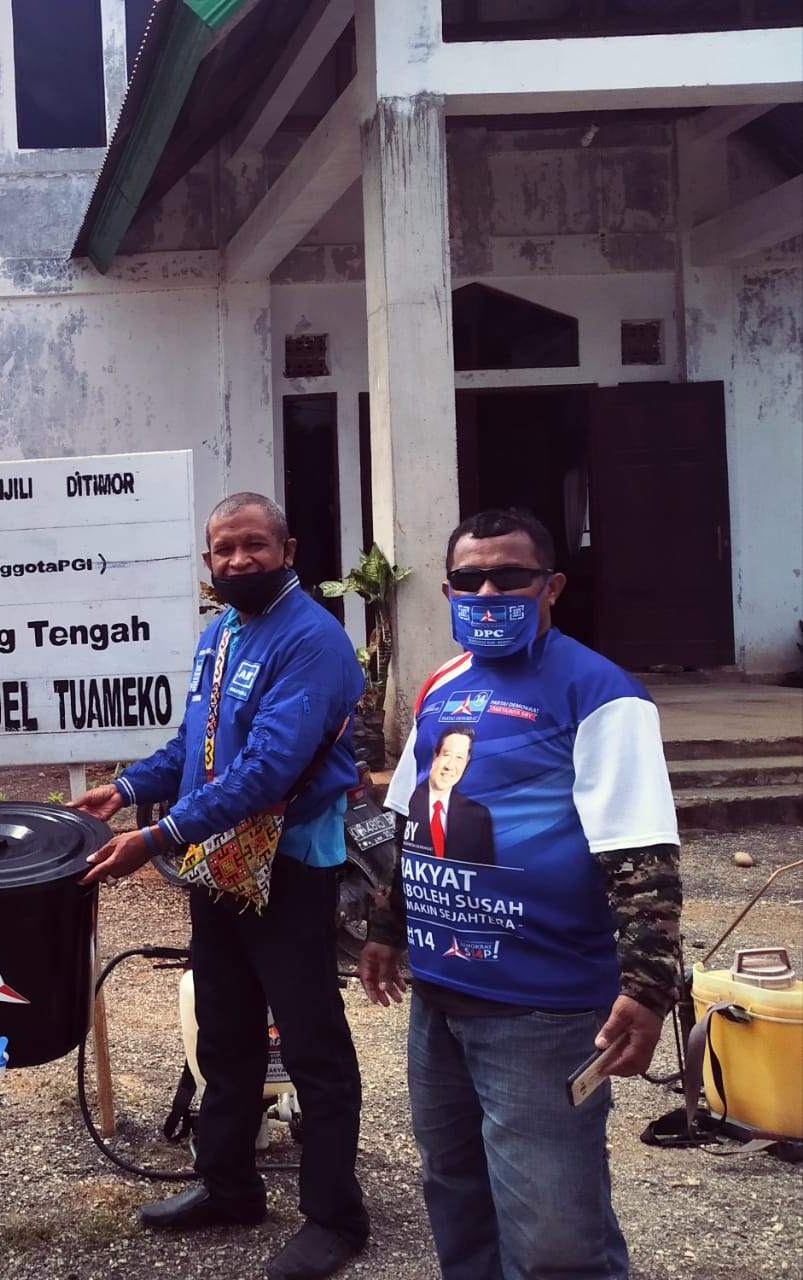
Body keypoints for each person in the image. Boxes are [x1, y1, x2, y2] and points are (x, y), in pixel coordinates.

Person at [358, 508, 682, 1280]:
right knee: (455, 1191)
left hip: (542, 1011)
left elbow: (640, 851)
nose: (489, 591)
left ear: (551, 587)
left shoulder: (600, 693)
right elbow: (408, 821)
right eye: (469, 580)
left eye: (511, 577)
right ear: (447, 589)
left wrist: (647, 986)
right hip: (439, 997)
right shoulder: (440, 686)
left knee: (552, 1235)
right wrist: (384, 926)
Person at [70, 493, 368, 1280]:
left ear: (288, 547)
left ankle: (335, 1217)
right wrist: (128, 790)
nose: (237, 561)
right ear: (207, 560)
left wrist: (157, 837)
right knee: (224, 1032)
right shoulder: (222, 633)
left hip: (293, 867)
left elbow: (267, 767)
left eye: (252, 547)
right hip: (222, 864)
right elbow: (196, 746)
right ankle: (227, 1187)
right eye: (222, 550)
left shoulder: (311, 641)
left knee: (311, 1045)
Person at [405, 727, 495, 863]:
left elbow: (486, 874)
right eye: (447, 754)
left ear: (467, 763)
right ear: (436, 755)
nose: (450, 766)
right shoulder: (409, 797)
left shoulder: (479, 817)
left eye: (459, 757)